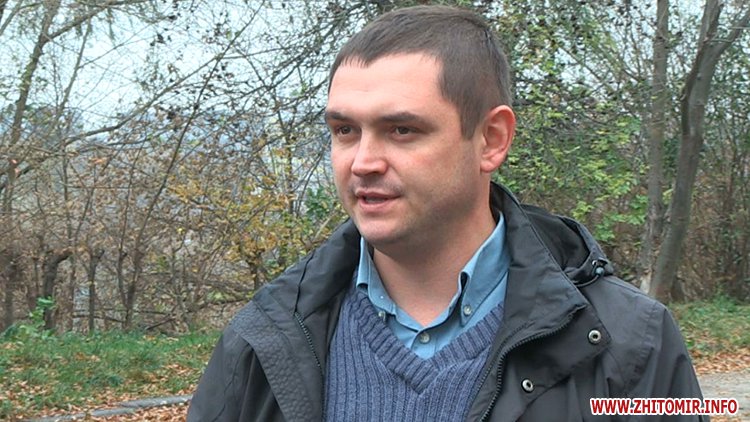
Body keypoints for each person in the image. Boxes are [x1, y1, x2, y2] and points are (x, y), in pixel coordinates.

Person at [188, 5, 704, 421]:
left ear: (491, 139)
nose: (362, 162)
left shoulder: (630, 342)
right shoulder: (267, 337)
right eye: (345, 130)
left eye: (402, 130)